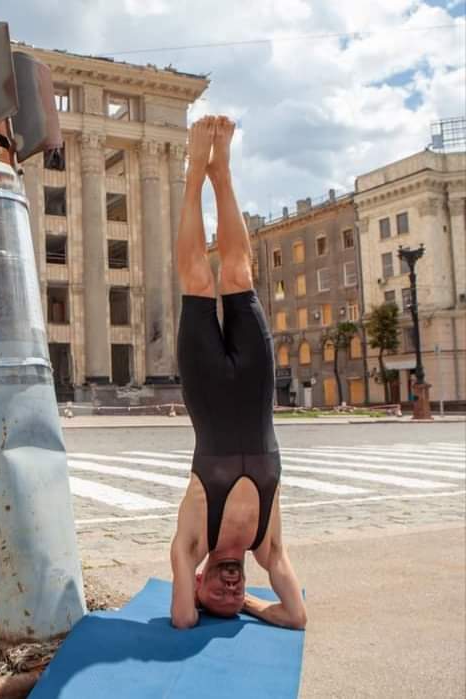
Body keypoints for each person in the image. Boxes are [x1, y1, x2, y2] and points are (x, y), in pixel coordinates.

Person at [169, 116, 307, 631]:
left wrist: (196, 594)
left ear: (200, 584)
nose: (231, 587)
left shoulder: (193, 542)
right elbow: (296, 616)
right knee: (240, 276)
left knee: (198, 279)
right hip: (254, 393)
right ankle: (222, 174)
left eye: (218, 594)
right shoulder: (267, 547)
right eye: (237, 592)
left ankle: (193, 177)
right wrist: (251, 607)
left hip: (207, 394)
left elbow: (183, 621)